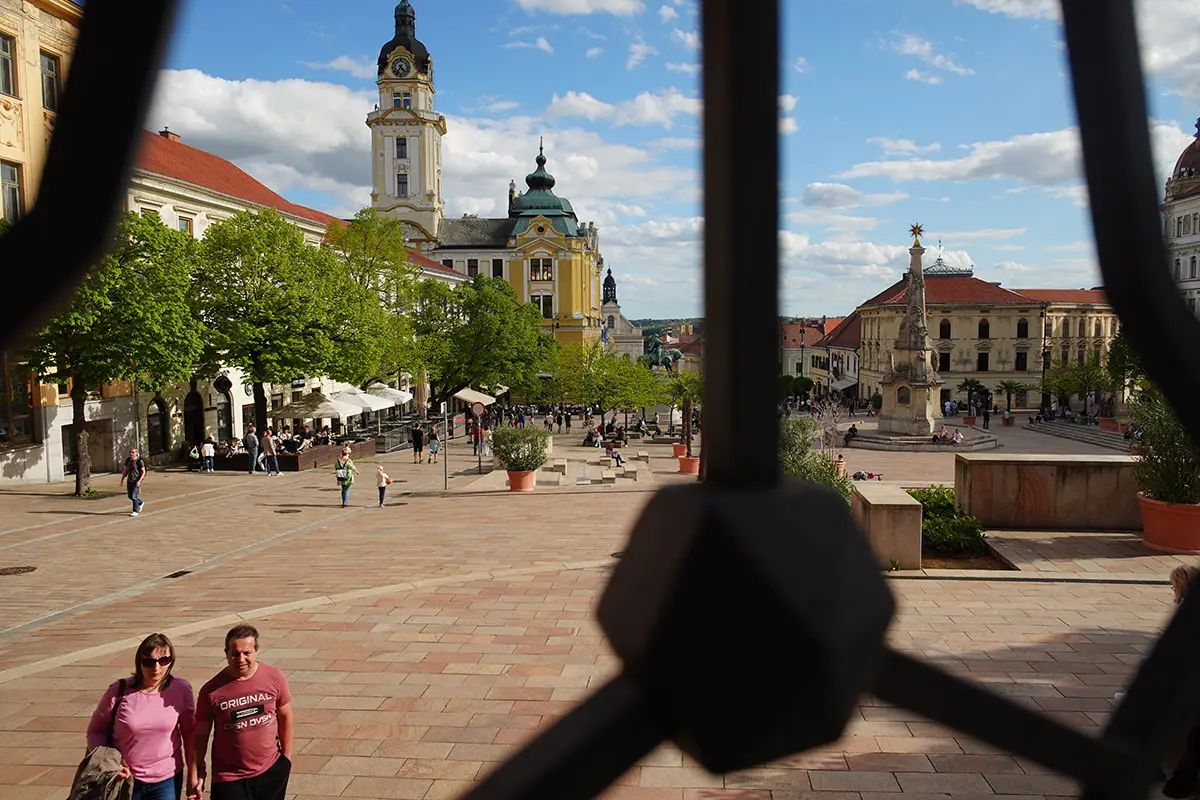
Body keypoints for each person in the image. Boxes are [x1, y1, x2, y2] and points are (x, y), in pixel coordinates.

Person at [86, 633, 195, 800]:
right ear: (139, 662)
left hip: (167, 780)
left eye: (163, 660)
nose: (157, 668)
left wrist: (194, 775)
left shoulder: (181, 689)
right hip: (124, 779)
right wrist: (111, 767)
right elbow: (95, 731)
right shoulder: (119, 691)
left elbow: (190, 736)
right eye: (149, 662)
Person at [190, 625, 293, 800]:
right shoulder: (211, 691)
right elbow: (200, 735)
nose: (241, 659)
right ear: (226, 653)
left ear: (256, 651)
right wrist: (195, 773)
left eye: (247, 653)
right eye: (235, 654)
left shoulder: (274, 677)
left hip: (270, 771)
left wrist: (286, 759)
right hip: (229, 777)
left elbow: (285, 716)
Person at [120, 448, 148, 517]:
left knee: (134, 496)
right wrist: (122, 480)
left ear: (136, 453)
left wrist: (139, 481)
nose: (131, 454)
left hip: (137, 480)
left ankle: (135, 511)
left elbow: (143, 472)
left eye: (132, 452)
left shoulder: (139, 461)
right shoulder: (128, 460)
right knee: (130, 496)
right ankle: (140, 503)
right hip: (130, 480)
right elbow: (125, 470)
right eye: (130, 452)